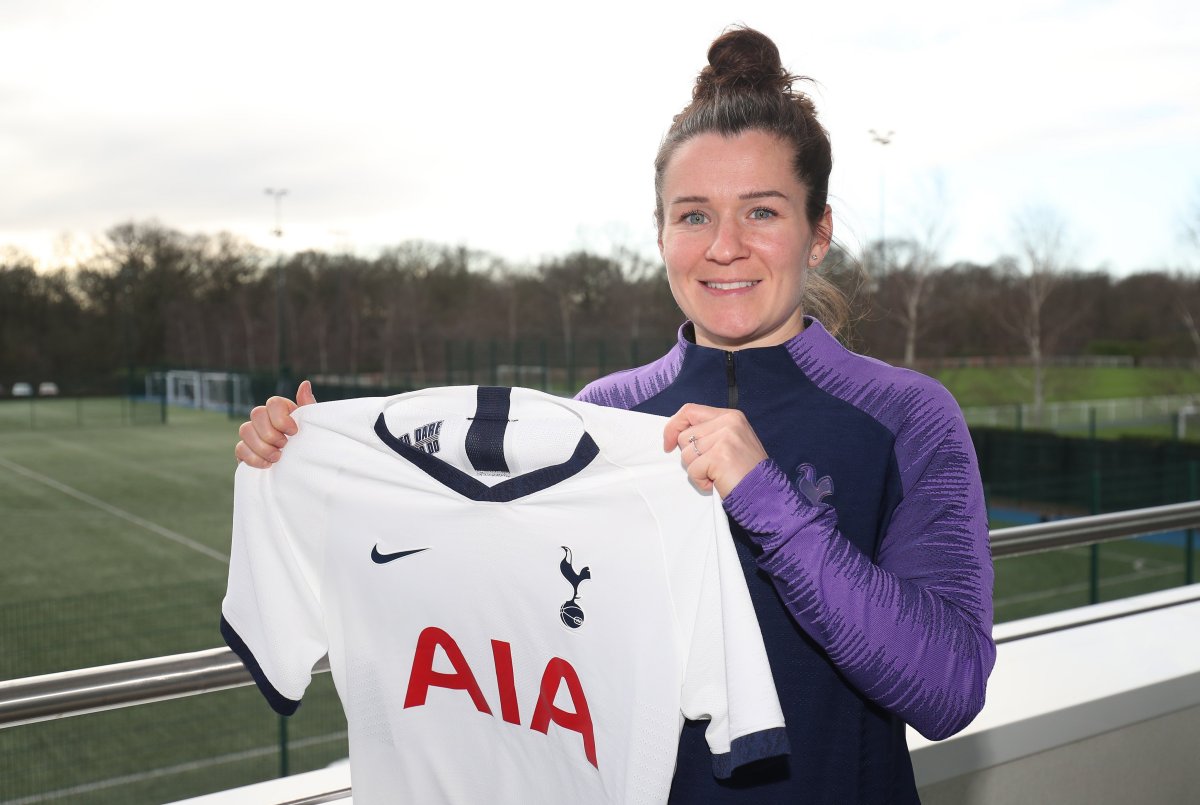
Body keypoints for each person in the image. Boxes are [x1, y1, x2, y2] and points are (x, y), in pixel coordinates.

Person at [235, 26, 995, 804]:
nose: (724, 246)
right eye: (694, 215)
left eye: (762, 212)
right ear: (661, 232)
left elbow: (949, 688)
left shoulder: (907, 416)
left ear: (819, 232)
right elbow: (505, 623)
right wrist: (314, 465)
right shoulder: (603, 417)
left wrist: (770, 501)